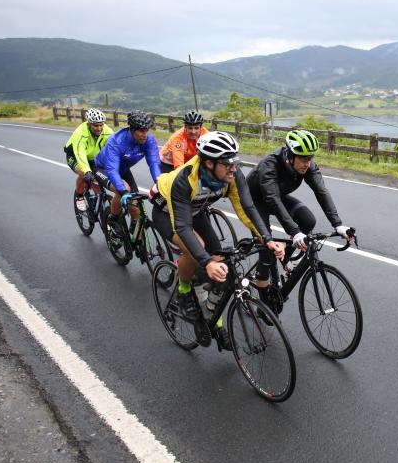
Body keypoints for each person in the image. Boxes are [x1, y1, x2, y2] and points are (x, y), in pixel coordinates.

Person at [151, 130, 285, 350]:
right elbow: (182, 227)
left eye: (235, 162)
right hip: (167, 213)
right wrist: (206, 262)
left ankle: (215, 321)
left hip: (197, 210)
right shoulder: (185, 179)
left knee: (222, 261)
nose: (234, 168)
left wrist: (267, 239)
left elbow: (247, 208)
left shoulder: (232, 176)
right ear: (209, 164)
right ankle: (184, 290)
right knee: (198, 251)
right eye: (227, 163)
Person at [246, 129, 352, 301]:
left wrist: (338, 224)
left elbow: (321, 192)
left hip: (277, 197)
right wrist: (294, 232)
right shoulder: (270, 165)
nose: (307, 163)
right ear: (290, 156)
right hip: (255, 202)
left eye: (310, 158)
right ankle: (265, 302)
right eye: (303, 159)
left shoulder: (308, 166)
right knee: (266, 249)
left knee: (308, 221)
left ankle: (284, 259)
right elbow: (272, 199)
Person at [93, 111, 161, 236]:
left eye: (147, 130)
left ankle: (136, 235)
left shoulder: (148, 139)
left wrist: (160, 183)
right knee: (124, 189)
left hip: (123, 170)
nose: (145, 135)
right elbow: (112, 170)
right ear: (132, 129)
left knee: (135, 207)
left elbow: (154, 163)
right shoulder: (116, 142)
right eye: (141, 131)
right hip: (103, 168)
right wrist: (123, 192)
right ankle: (112, 219)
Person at [63, 108, 113, 211]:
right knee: (84, 173)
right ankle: (79, 196)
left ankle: (98, 197)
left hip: (93, 158)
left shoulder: (108, 131)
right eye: (95, 125)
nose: (99, 128)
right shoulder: (80, 133)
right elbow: (80, 154)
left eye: (101, 125)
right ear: (88, 124)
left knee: (98, 177)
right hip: (75, 156)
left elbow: (115, 149)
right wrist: (87, 171)